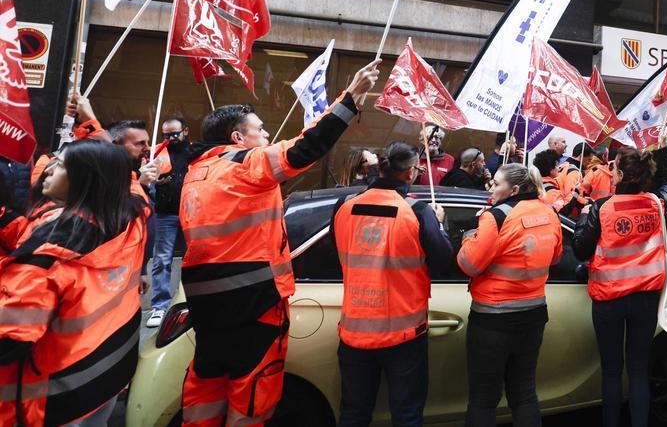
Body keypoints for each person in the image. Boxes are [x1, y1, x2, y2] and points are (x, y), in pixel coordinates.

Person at [178, 60, 379, 426]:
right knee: (253, 389)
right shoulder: (243, 164)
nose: (267, 134)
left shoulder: (196, 173)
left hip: (206, 302)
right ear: (237, 139)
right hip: (253, 302)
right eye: (259, 129)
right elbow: (306, 147)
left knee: (205, 388)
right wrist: (352, 96)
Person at [0, 139, 149, 425]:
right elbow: (122, 174)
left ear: (86, 178)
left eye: (60, 165)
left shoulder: (46, 257)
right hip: (108, 372)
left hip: (56, 396)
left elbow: (9, 338)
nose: (48, 169)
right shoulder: (132, 218)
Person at [333, 141, 454, 427]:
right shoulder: (419, 212)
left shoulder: (345, 205)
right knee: (407, 416)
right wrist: (440, 225)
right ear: (411, 173)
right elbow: (443, 262)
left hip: (354, 331)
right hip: (403, 335)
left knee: (353, 414)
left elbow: (335, 247)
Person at [457, 163, 563, 426]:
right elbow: (556, 257)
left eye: (495, 184)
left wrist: (468, 237)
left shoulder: (496, 217)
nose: (490, 187)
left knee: (483, 399)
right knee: (524, 393)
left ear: (514, 189)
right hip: (533, 315)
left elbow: (469, 265)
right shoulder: (549, 214)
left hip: (493, 319)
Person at [573, 148, 665, 427]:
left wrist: (583, 217)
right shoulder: (655, 204)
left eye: (613, 169)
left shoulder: (602, 207)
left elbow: (580, 249)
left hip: (609, 299)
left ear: (622, 174)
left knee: (612, 371)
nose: (610, 173)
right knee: (638, 371)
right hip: (646, 297)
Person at [147, 117, 192, 328]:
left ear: (185, 131)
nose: (171, 138)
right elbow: (143, 180)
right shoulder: (154, 153)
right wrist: (153, 180)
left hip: (192, 212)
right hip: (165, 213)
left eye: (175, 134)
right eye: (166, 135)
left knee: (195, 259)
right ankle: (159, 305)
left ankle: (189, 300)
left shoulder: (195, 152)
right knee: (162, 259)